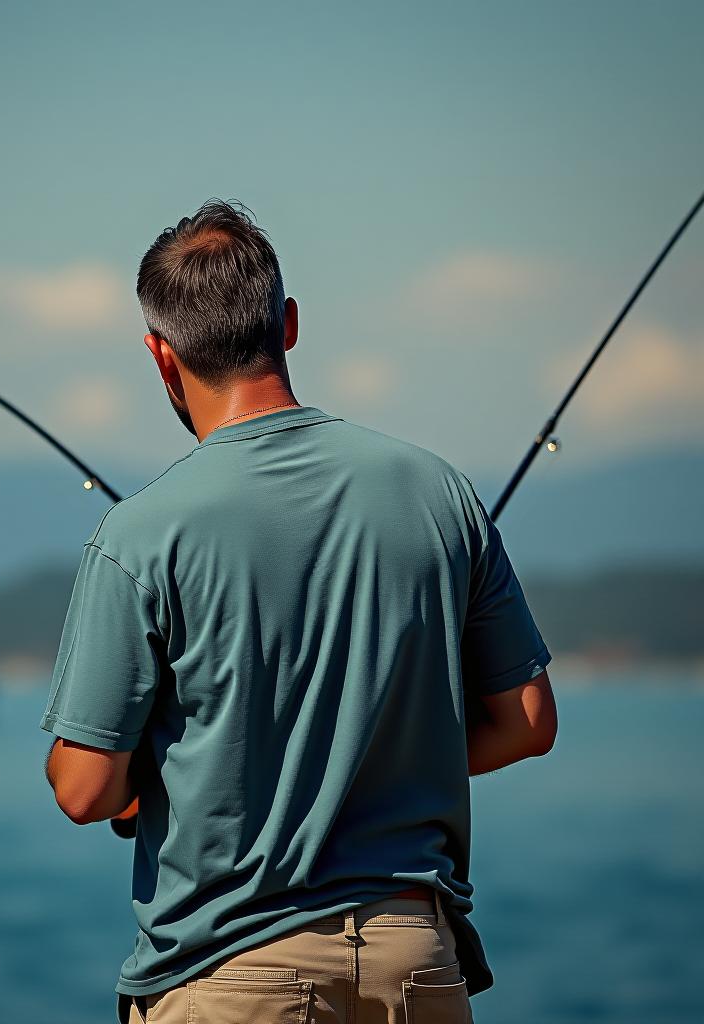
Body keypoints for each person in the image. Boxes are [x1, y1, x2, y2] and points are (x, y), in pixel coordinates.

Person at [41, 199, 557, 1024]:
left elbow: (83, 786)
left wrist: (188, 783)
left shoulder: (137, 536)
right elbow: (528, 719)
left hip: (233, 972)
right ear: (287, 324)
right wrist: (379, 759)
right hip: (415, 964)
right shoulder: (439, 493)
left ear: (161, 356)